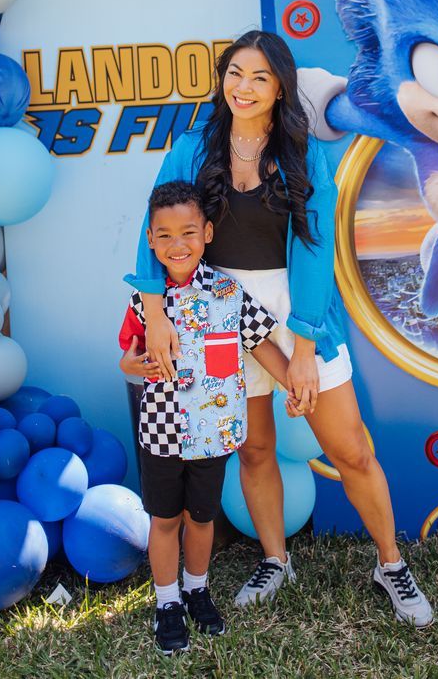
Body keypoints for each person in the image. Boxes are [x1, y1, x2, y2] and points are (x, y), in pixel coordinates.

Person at [126, 30, 434, 628]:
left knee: (352, 450)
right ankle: (275, 559)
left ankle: (391, 564)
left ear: (280, 88)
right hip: (215, 318)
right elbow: (155, 233)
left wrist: (304, 348)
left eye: (260, 77)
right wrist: (158, 314)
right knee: (256, 446)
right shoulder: (193, 148)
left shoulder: (302, 154)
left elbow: (316, 256)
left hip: (297, 312)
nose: (244, 87)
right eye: (235, 73)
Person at [120, 179, 297, 655]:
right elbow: (126, 356)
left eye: (188, 233)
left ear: (208, 234)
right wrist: (130, 365)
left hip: (213, 434)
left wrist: (293, 383)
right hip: (161, 431)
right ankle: (166, 602)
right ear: (151, 240)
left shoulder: (229, 293)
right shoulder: (145, 299)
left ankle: (196, 590)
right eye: (165, 236)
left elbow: (261, 345)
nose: (178, 245)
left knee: (201, 519)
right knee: (164, 520)